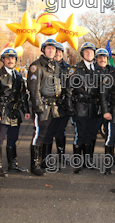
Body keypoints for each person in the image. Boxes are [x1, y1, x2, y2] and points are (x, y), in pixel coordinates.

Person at [0, 48, 30, 177]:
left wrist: (26, 111)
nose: (10, 60)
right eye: (8, 58)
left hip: (15, 113)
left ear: (16, 60)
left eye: (13, 58)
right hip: (2, 112)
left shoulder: (19, 76)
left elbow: (23, 96)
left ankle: (12, 164)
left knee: (13, 139)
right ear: (3, 60)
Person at [27, 39, 63, 176]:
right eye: (48, 49)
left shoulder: (55, 65)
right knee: (39, 135)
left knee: (49, 135)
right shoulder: (36, 66)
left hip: (53, 106)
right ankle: (34, 164)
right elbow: (34, 89)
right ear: (43, 50)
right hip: (42, 105)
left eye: (53, 49)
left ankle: (44, 161)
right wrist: (38, 107)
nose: (51, 51)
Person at [66, 42, 102, 173]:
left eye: (91, 52)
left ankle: (88, 162)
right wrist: (70, 108)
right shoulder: (75, 69)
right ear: (82, 54)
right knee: (80, 136)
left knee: (90, 135)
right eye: (86, 52)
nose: (89, 54)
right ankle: (77, 163)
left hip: (93, 108)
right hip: (80, 107)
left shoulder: (97, 69)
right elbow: (68, 91)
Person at [42, 42, 70, 170]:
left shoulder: (68, 68)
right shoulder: (48, 66)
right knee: (48, 132)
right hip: (50, 105)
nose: (58, 54)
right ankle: (46, 158)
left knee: (60, 131)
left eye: (60, 52)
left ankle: (61, 154)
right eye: (56, 51)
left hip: (63, 105)